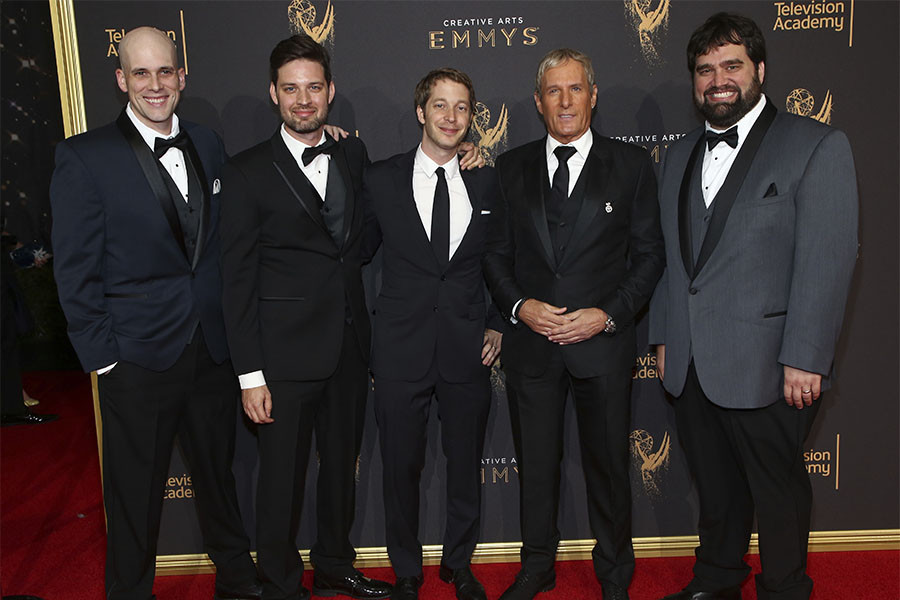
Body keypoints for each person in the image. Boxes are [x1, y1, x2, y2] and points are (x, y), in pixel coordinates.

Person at [648, 13, 858, 600]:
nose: (718, 79)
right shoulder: (678, 154)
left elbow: (828, 257)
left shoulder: (815, 144)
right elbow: (673, 257)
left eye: (731, 66)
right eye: (705, 69)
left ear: (760, 71)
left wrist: (806, 357)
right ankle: (715, 580)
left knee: (779, 491)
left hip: (773, 364)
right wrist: (665, 338)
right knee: (714, 489)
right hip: (691, 361)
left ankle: (785, 588)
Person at [50, 27, 260, 600]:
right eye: (140, 73)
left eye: (165, 72)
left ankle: (239, 583)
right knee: (135, 494)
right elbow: (73, 269)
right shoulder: (84, 156)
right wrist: (105, 360)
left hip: (210, 351)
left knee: (220, 480)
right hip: (137, 359)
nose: (155, 84)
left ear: (182, 76)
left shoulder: (208, 143)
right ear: (120, 80)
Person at [483, 48, 665, 600]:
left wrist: (607, 315)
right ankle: (536, 565)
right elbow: (495, 255)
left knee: (609, 468)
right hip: (532, 349)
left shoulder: (631, 166)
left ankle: (614, 572)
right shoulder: (509, 167)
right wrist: (520, 308)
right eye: (554, 92)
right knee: (536, 468)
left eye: (576, 89)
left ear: (592, 95)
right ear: (538, 102)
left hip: (602, 348)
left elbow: (650, 255)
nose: (565, 101)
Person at [218, 33, 394, 600]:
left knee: (342, 467)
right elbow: (236, 280)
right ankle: (280, 580)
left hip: (348, 345)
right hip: (282, 356)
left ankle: (336, 563)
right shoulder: (245, 172)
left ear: (330, 91)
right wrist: (250, 375)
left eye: (313, 88)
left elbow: (362, 240)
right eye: (291, 89)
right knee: (282, 480)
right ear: (273, 94)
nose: (302, 100)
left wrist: (464, 154)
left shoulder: (353, 152)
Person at [361, 68, 503, 600]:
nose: (450, 117)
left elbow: (500, 260)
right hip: (399, 351)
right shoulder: (380, 179)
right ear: (421, 112)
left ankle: (458, 564)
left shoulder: (488, 179)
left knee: (465, 466)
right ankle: (405, 571)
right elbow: (357, 253)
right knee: (401, 468)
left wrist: (496, 321)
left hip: (468, 349)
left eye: (461, 107)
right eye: (440, 106)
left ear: (471, 116)